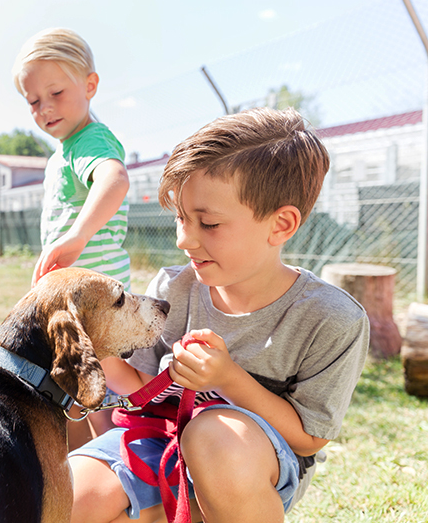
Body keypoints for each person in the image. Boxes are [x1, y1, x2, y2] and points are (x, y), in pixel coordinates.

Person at [68, 107, 369, 523]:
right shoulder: (172, 289)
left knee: (213, 437)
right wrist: (92, 350)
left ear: (281, 225)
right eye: (180, 217)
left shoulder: (331, 319)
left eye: (208, 223)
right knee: (69, 496)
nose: (183, 239)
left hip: (244, 463)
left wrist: (228, 379)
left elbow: (308, 438)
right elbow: (138, 386)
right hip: (156, 441)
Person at [12, 27, 132, 449]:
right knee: (71, 386)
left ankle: (121, 465)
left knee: (102, 384)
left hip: (96, 301)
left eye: (56, 93)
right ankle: (83, 461)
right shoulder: (65, 149)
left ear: (90, 85)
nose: (44, 108)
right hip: (77, 298)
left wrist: (78, 236)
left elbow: (115, 180)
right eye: (32, 101)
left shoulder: (89, 140)